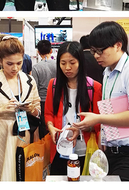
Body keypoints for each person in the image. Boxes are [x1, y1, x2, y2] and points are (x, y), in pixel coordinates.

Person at [72, 21, 129, 181]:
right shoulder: (108, 72)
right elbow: (111, 110)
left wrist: (98, 118)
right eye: (93, 51)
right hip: (112, 150)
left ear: (118, 45)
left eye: (100, 51)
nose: (96, 55)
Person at [0, 34, 41, 181]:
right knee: (0, 175)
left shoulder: (29, 80)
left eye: (19, 63)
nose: (15, 68)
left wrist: (31, 110)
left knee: (23, 175)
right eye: (9, 64)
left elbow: (38, 110)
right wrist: (1, 111)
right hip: (1, 138)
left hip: (25, 135)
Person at [44, 41, 102, 175]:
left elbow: (99, 122)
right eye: (63, 63)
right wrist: (51, 127)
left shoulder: (94, 87)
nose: (67, 68)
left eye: (72, 62)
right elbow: (48, 113)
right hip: (60, 148)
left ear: (80, 62)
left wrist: (83, 127)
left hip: (84, 150)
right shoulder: (53, 85)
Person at [32, 39, 56, 136]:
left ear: (38, 52)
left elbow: (35, 87)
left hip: (43, 101)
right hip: (56, 99)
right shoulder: (58, 65)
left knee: (44, 125)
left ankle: (45, 147)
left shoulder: (36, 67)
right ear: (51, 51)